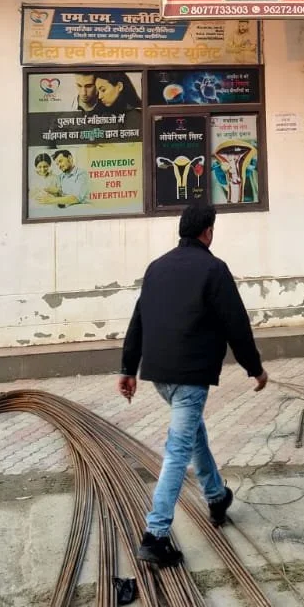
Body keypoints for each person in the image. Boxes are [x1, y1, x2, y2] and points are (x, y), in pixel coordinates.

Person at [119, 202, 268, 569]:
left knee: (192, 433)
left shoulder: (157, 268)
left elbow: (138, 319)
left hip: (159, 376)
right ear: (208, 232)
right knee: (177, 452)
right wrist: (255, 369)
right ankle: (155, 535)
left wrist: (128, 368)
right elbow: (236, 322)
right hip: (190, 377)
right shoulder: (214, 269)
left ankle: (216, 497)